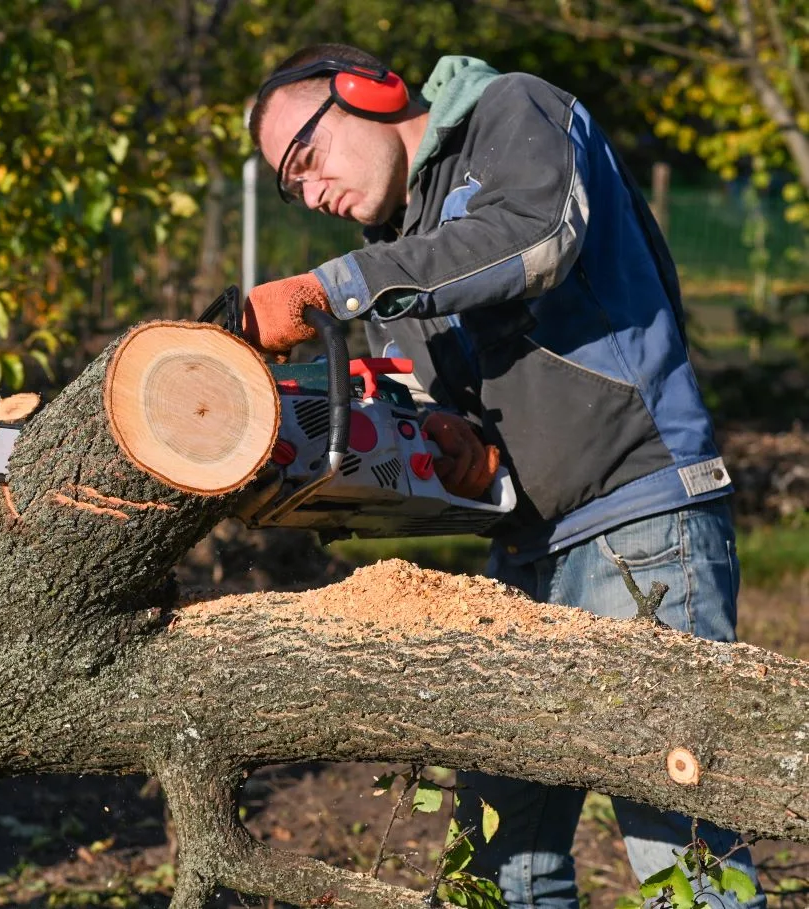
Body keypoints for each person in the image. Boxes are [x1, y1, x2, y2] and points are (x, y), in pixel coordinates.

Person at [243, 43, 764, 909]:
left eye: (307, 158)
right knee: (496, 861)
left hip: (641, 522)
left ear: (368, 92)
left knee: (681, 845)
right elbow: (442, 410)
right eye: (290, 187)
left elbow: (537, 237)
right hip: (526, 557)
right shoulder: (393, 253)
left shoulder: (510, 113)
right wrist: (463, 450)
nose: (310, 191)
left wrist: (334, 288)